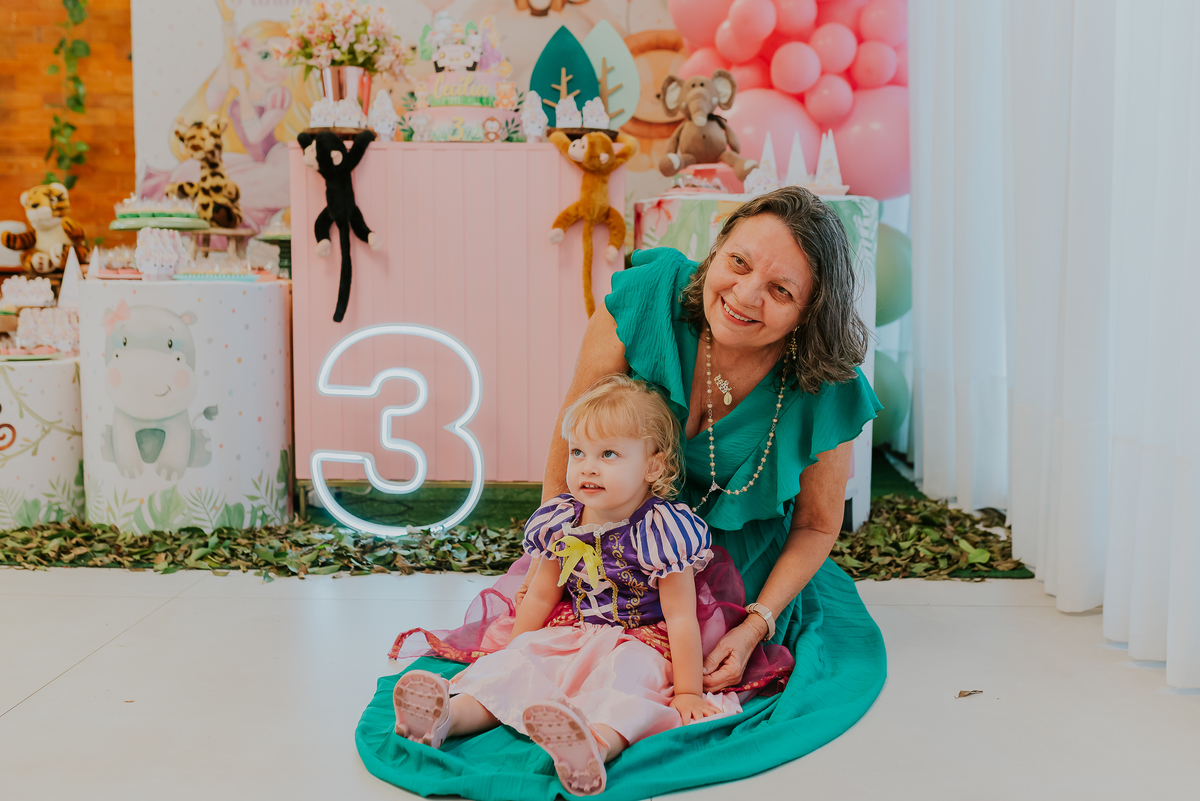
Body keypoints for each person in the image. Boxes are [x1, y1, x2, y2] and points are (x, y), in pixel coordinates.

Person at [358, 186, 885, 800]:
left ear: (809, 314)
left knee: (647, 660)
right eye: (738, 263)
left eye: (781, 290)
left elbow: (819, 526)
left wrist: (754, 627)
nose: (745, 295)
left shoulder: (828, 381)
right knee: (544, 633)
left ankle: (595, 736)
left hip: (732, 569)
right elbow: (573, 430)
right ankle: (457, 711)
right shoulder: (646, 299)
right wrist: (550, 549)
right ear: (717, 251)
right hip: (605, 526)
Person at [391, 375, 782, 796]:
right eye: (578, 452)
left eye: (608, 454)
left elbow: (682, 617)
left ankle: (592, 746)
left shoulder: (662, 530)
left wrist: (687, 691)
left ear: (652, 465)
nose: (587, 466)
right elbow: (543, 593)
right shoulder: (563, 519)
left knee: (625, 681)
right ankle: (445, 718)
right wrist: (515, 651)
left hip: (644, 640)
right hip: (577, 630)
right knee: (522, 668)